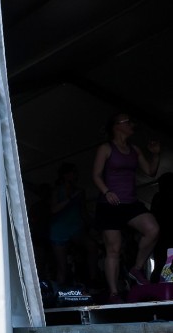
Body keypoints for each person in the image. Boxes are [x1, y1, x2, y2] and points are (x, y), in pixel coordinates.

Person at [92, 112, 160, 302]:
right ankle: (114, 293)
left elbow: (151, 172)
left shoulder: (135, 150)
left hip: (130, 202)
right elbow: (96, 175)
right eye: (127, 122)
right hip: (109, 204)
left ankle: (136, 269)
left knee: (153, 229)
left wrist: (155, 155)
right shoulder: (106, 148)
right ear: (116, 126)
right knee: (113, 249)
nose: (132, 124)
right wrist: (107, 191)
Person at [48, 162, 98, 288]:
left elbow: (83, 211)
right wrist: (70, 198)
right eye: (71, 172)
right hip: (59, 230)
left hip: (76, 228)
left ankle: (93, 280)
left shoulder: (80, 191)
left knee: (91, 245)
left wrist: (93, 226)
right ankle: (58, 295)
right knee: (62, 268)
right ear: (64, 175)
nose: (74, 175)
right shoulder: (56, 191)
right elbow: (53, 209)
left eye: (75, 172)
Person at [150, 173, 173, 283]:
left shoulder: (158, 197)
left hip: (161, 237)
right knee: (164, 263)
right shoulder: (159, 197)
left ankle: (157, 284)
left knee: (162, 263)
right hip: (163, 236)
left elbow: (153, 215)